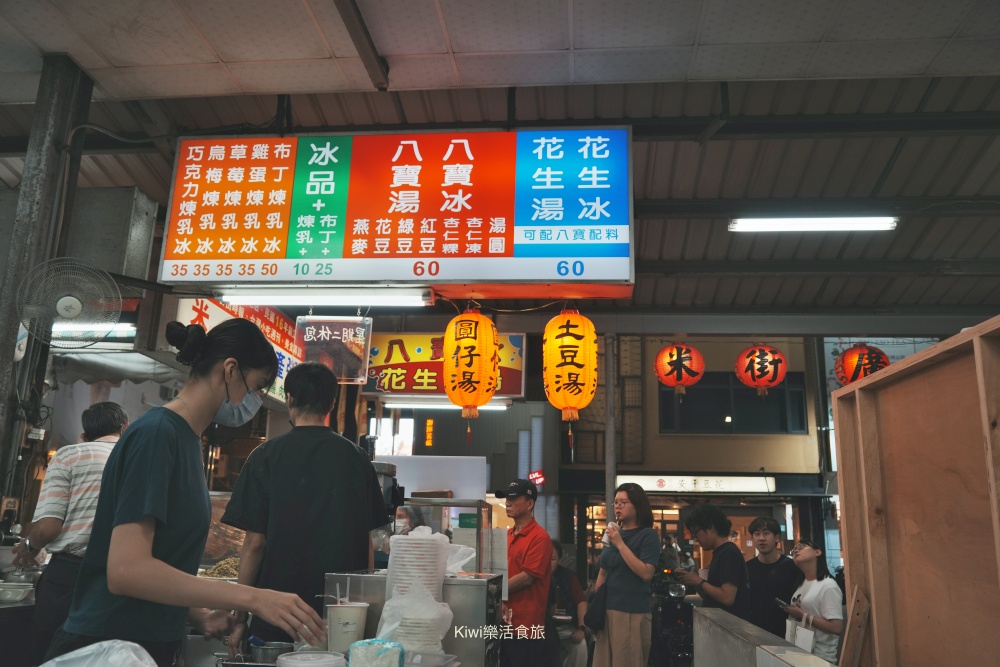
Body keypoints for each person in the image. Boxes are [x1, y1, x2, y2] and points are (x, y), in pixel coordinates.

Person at [44, 319, 326, 667]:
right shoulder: (157, 435)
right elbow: (127, 570)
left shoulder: (188, 439)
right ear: (230, 370)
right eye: (255, 387)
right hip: (107, 646)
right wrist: (253, 597)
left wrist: (196, 614)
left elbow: (162, 561)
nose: (253, 401)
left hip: (147, 644)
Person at [223, 362, 389, 649]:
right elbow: (367, 543)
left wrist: (240, 616)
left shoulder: (265, 456)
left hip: (277, 614)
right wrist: (365, 614)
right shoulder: (357, 458)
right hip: (340, 618)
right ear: (333, 404)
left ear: (289, 398)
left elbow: (253, 544)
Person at [11, 402, 128, 662]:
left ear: (85, 434)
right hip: (123, 577)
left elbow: (49, 528)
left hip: (69, 577)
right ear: (125, 428)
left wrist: (29, 546)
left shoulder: (70, 455)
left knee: (52, 654)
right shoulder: (137, 457)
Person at [592, 482, 660, 667]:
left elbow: (647, 573)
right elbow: (603, 571)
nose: (618, 506)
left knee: (627, 661)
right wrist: (596, 602)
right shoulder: (615, 534)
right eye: (615, 502)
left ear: (638, 506)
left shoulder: (648, 536)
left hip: (631, 611)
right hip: (607, 611)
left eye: (624, 502)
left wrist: (620, 543)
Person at [495, 478, 553, 666]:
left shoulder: (540, 537)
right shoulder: (508, 535)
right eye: (506, 499)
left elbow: (527, 578)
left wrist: (493, 591)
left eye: (513, 499)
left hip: (527, 626)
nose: (507, 503)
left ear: (530, 503)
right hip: (505, 624)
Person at [678, 504, 751, 621]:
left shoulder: (728, 553)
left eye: (696, 532)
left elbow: (727, 598)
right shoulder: (720, 552)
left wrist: (699, 581)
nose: (695, 538)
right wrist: (695, 581)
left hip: (729, 628)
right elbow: (711, 598)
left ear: (711, 528)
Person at [780, 539, 844, 663]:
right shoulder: (801, 584)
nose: (796, 550)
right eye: (794, 550)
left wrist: (803, 615)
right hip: (800, 654)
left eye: (802, 546)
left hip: (820, 658)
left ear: (818, 552)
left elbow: (836, 627)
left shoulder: (828, 585)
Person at [745, 516, 799, 638]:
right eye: (757, 534)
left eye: (766, 533)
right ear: (752, 539)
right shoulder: (746, 568)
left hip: (786, 635)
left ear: (777, 537)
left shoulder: (792, 567)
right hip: (754, 635)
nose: (761, 538)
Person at [548, 539, 588, 667]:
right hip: (541, 627)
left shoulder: (568, 576)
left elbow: (581, 602)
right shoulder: (534, 577)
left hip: (565, 627)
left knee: (580, 646)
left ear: (559, 559)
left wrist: (581, 628)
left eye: (552, 559)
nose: (548, 563)